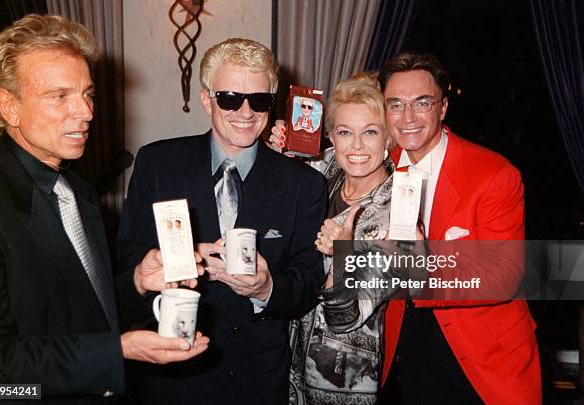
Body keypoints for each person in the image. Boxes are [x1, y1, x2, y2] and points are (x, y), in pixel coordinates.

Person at [0, 14, 208, 404]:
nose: (86, 113)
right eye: (60, 96)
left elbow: (82, 307)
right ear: (8, 106)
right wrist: (116, 352)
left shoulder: (78, 190)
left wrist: (135, 281)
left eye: (88, 94)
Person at [116, 38, 326, 404]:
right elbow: (126, 259)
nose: (246, 112)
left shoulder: (304, 184)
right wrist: (161, 262)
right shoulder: (157, 164)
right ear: (205, 99)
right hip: (170, 375)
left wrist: (266, 288)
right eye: (230, 97)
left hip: (255, 380)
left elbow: (309, 280)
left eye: (259, 100)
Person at [376, 51, 541, 404]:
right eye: (395, 105)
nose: (408, 118)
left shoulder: (494, 174)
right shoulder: (377, 168)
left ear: (443, 108)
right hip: (404, 349)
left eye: (422, 103)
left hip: (482, 358)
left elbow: (505, 275)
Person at [270, 72, 420, 405]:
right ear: (331, 139)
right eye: (344, 132)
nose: (356, 146)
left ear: (388, 140)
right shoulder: (322, 171)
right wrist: (278, 151)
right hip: (286, 366)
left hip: (340, 382)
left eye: (369, 132)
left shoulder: (401, 209)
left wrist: (343, 254)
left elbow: (347, 316)